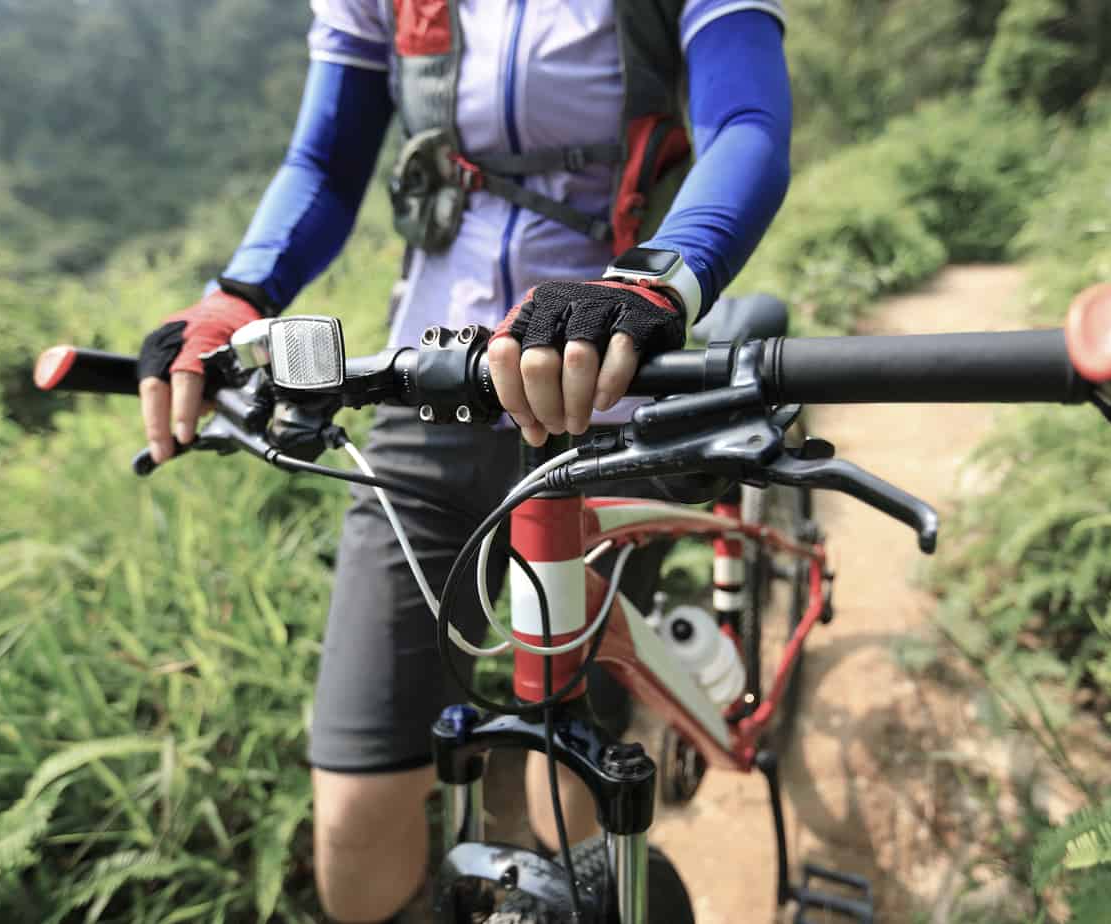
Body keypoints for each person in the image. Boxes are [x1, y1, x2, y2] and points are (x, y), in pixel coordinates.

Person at [135, 1, 791, 920]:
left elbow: (746, 125)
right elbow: (325, 161)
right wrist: (236, 296)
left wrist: (655, 274)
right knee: (355, 823)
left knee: (574, 769)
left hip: (606, 390)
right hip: (424, 386)